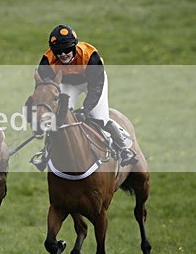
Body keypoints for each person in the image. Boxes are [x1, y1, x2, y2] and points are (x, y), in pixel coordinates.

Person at [37, 24, 137, 166]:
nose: (63, 54)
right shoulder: (47, 61)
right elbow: (47, 89)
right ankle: (46, 153)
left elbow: (96, 88)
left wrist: (86, 109)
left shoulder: (89, 55)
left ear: (74, 47)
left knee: (99, 116)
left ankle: (123, 149)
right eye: (58, 51)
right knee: (58, 116)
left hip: (92, 83)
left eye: (66, 50)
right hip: (67, 83)